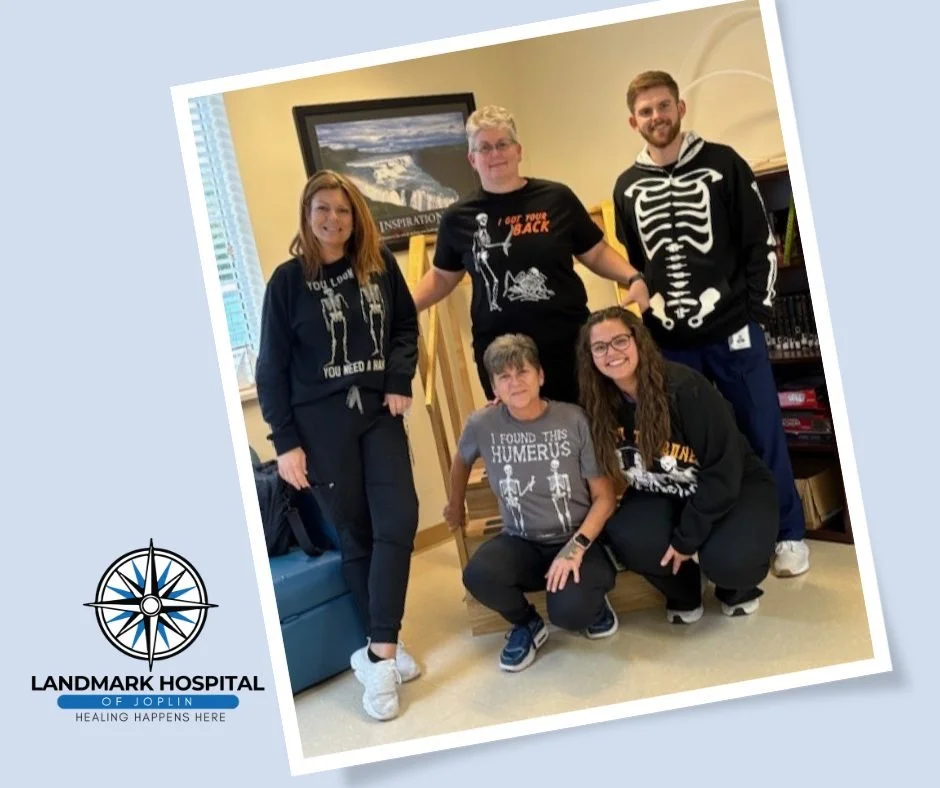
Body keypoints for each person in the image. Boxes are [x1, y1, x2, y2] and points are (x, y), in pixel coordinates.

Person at [610, 70, 810, 578]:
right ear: (634, 121)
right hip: (671, 342)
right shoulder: (627, 186)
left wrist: (757, 316)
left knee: (761, 428)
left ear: (680, 107)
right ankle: (709, 533)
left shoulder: (723, 164)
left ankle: (788, 533)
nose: (657, 117)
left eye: (663, 106)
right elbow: (638, 260)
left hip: (732, 331)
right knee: (687, 447)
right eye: (646, 111)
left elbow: (760, 243)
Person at [255, 169, 420, 722]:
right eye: (322, 209)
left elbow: (404, 327)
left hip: (377, 412)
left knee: (398, 519)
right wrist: (285, 444)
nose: (333, 219)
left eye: (343, 210)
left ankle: (378, 655)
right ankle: (385, 645)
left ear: (358, 216)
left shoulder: (379, 266)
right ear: (307, 215)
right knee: (356, 533)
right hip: (319, 425)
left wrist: (399, 378)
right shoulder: (286, 283)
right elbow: (271, 368)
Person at [411, 104, 651, 406]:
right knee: (523, 442)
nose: (495, 154)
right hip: (502, 355)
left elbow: (596, 252)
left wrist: (633, 276)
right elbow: (443, 277)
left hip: (568, 344)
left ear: (518, 150)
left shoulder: (556, 198)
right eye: (484, 148)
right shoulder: (457, 218)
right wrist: (406, 306)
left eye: (502, 144)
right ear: (472, 159)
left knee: (587, 431)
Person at [577, 306, 779, 622]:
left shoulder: (685, 388)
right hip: (665, 489)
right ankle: (684, 589)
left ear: (638, 340)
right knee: (629, 533)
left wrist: (687, 539)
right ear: (590, 356)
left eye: (619, 341)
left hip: (733, 486)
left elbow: (723, 472)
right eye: (599, 347)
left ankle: (736, 588)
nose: (611, 353)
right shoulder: (597, 403)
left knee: (729, 559)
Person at [445, 334, 618, 672]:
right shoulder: (483, 424)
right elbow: (461, 460)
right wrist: (455, 504)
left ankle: (595, 601)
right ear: (494, 388)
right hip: (521, 542)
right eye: (504, 377)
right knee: (478, 575)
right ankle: (527, 623)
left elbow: (605, 498)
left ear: (540, 376)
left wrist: (576, 547)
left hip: (576, 538)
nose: (515, 383)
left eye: (522, 372)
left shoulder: (573, 419)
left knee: (570, 613)